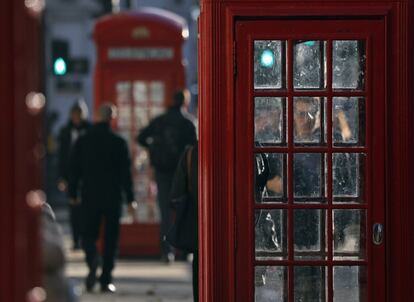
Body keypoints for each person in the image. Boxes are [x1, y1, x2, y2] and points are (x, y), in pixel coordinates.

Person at [69, 103, 138, 293]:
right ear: (112, 118)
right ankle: (106, 278)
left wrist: (73, 193)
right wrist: (130, 198)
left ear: (98, 117)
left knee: (87, 235)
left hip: (90, 195)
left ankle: (92, 260)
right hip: (112, 196)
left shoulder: (84, 141)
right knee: (111, 238)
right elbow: (126, 174)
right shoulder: (118, 142)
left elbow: (74, 170)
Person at [137, 90, 197, 262]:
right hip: (183, 172)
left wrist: (153, 147)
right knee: (184, 211)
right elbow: (195, 147)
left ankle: (167, 251)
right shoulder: (188, 123)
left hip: (162, 172)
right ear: (184, 102)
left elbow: (141, 137)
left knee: (165, 213)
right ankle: (185, 250)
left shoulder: (159, 121)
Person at [57, 99, 90, 250]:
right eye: (74, 114)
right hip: (71, 175)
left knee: (86, 209)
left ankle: (85, 238)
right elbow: (61, 156)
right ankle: (76, 239)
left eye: (79, 114)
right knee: (73, 209)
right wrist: (61, 177)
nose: (77, 117)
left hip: (86, 175)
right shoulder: (64, 131)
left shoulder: (90, 129)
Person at [169, 143, 198, 301]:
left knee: (200, 269)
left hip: (199, 230)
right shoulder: (244, 149)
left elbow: (176, 194)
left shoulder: (190, 153)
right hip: (236, 235)